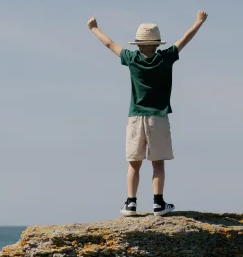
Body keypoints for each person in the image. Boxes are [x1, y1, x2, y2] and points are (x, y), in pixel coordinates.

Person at [87, 12, 208, 215]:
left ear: (138, 44)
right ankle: (158, 203)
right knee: (157, 163)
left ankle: (130, 203)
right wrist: (199, 22)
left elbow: (109, 44)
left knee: (134, 164)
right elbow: (185, 39)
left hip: (136, 116)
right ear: (157, 44)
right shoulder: (165, 57)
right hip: (158, 117)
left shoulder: (132, 58)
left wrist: (94, 28)